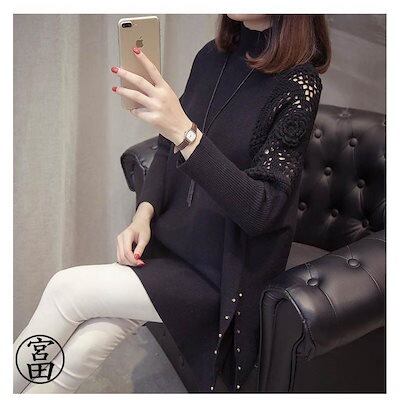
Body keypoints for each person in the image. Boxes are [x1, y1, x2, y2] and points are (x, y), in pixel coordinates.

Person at [14, 14, 331, 393]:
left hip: (223, 275)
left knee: (66, 290)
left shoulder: (298, 84)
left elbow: (262, 210)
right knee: (90, 341)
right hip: (172, 246)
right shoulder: (211, 57)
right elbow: (167, 146)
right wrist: (143, 212)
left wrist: (186, 132)